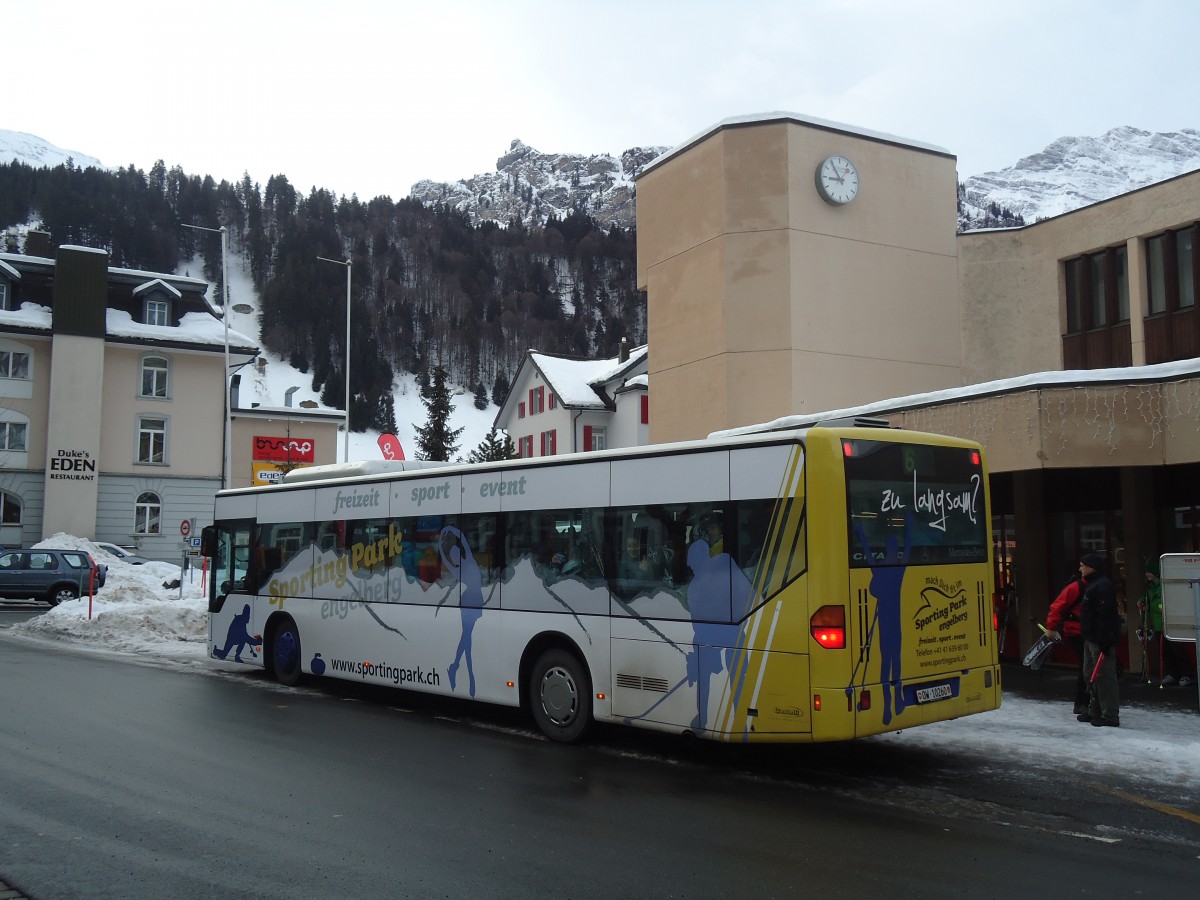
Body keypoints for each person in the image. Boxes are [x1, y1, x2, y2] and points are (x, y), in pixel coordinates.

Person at [1077, 552, 1121, 727]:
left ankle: (1109, 715)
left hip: (1100, 639)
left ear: (1091, 567)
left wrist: (1105, 639)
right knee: (1090, 674)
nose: (1080, 568)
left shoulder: (1102, 586)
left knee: (1104, 676)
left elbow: (1106, 615)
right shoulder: (1093, 585)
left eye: (1082, 565)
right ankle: (1094, 710)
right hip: (1090, 638)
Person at [1141, 560, 1195, 687]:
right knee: (1164, 651)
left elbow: (1171, 600)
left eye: (1148, 572)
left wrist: (1161, 607)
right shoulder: (1149, 587)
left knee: (1177, 649)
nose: (1146, 575)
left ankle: (1188, 675)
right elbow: (1146, 599)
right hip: (1158, 624)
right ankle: (1173, 674)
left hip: (1170, 621)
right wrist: (1142, 603)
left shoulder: (1164, 586)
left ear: (1155, 573)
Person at [1045, 571, 1088, 715]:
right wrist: (1051, 627)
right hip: (1077, 631)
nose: (1082, 569)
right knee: (1086, 667)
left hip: (1084, 630)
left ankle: (1085, 701)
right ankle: (1082, 702)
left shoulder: (1091, 585)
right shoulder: (1077, 587)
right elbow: (1057, 606)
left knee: (1087, 667)